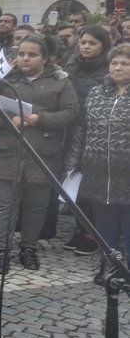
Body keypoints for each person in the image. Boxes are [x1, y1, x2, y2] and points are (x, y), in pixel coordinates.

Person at [0, 35, 79, 273]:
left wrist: (43, 119)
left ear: (45, 58)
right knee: (4, 205)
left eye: (32, 54)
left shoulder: (60, 81)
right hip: (8, 151)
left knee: (36, 206)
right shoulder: (4, 77)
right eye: (22, 54)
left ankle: (29, 248)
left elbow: (71, 112)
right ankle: (1, 250)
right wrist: (8, 119)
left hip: (43, 154)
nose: (25, 58)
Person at [65, 45, 130, 284]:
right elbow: (81, 129)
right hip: (98, 171)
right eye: (115, 63)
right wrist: (74, 161)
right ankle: (109, 265)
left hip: (127, 174)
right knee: (105, 226)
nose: (118, 67)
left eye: (125, 63)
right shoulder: (96, 93)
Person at [59, 24, 113, 255]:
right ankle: (81, 227)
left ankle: (94, 232)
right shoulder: (70, 66)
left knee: (92, 185)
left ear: (103, 46)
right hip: (70, 131)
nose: (86, 47)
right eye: (83, 42)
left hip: (96, 135)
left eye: (92, 43)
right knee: (74, 182)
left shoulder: (108, 71)